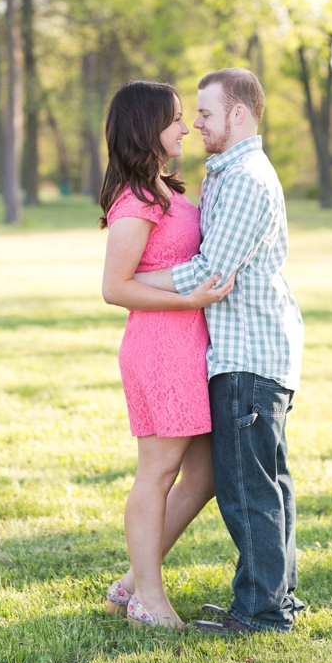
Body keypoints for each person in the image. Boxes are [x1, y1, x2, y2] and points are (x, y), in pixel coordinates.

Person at [134, 67, 305, 635]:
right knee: (269, 483)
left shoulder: (247, 178)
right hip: (254, 351)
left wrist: (143, 276)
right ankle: (276, 600)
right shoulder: (229, 172)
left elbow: (211, 273)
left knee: (248, 489)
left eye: (204, 113)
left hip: (247, 355)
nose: (193, 124)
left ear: (238, 114)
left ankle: (259, 613)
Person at [99, 80, 235, 629]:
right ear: (145, 127)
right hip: (159, 350)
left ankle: (132, 582)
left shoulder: (166, 190)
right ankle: (149, 601)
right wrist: (189, 297)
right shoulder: (135, 200)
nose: (186, 128)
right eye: (176, 119)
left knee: (202, 477)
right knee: (156, 474)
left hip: (190, 348)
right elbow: (114, 287)